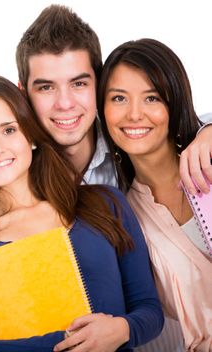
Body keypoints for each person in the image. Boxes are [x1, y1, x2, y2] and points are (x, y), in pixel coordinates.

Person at [0, 75, 163, 351]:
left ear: (30, 136)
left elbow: (149, 309)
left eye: (8, 130)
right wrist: (67, 342)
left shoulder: (105, 204)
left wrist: (122, 329)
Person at [15, 4, 212, 193]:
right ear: (23, 93)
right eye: (46, 87)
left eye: (78, 84)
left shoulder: (128, 135)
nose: (65, 103)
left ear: (100, 83)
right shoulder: (13, 165)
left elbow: (186, 119)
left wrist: (208, 132)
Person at [97, 38, 212, 351]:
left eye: (152, 98)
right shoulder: (124, 216)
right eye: (119, 98)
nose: (134, 114)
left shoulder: (208, 160)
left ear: (174, 102)